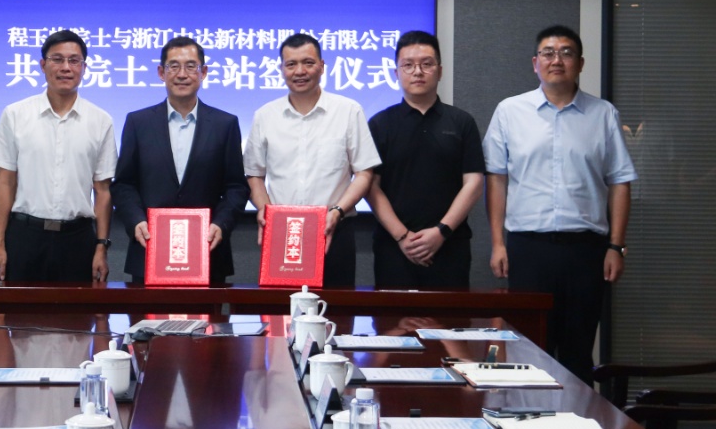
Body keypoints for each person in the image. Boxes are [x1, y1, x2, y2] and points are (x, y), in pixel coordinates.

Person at [483, 25, 637, 385]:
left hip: (586, 250)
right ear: (535, 63)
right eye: (548, 53)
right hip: (528, 249)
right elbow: (497, 179)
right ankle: (529, 418)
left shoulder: (603, 114)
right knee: (526, 351)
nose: (557, 60)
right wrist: (498, 243)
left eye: (566, 53)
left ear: (580, 63)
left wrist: (616, 246)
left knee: (578, 352)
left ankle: (578, 417)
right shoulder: (510, 111)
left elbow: (620, 181)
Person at [243, 33, 380, 287]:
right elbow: (254, 174)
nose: (300, 71)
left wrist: (338, 211)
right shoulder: (265, 115)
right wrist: (266, 212)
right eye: (291, 64)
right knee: (280, 308)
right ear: (281, 69)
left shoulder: (348, 111)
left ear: (322, 66)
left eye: (308, 63)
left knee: (336, 308)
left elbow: (364, 172)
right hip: (283, 234)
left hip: (335, 230)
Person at [112, 36, 249, 284]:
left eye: (191, 66)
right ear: (161, 73)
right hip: (149, 249)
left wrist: (221, 224)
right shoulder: (138, 123)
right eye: (173, 66)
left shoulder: (225, 124)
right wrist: (136, 221)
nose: (182, 74)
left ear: (203, 72)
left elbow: (236, 187)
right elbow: (123, 184)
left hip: (208, 252)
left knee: (208, 313)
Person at [0, 29, 117, 284]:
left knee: (76, 310)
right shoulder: (15, 114)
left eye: (74, 60)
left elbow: (102, 191)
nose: (66, 67)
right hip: (25, 236)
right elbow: (5, 182)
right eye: (57, 59)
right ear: (43, 65)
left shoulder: (101, 121)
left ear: (84, 68)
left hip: (78, 239)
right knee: (18, 308)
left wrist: (101, 247)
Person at [367, 31, 484, 289]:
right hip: (393, 248)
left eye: (426, 64)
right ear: (396, 73)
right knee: (391, 316)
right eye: (408, 65)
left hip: (450, 246)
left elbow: (474, 183)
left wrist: (441, 232)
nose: (417, 72)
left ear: (440, 71)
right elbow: (370, 187)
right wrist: (403, 236)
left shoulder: (462, 122)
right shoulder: (380, 124)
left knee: (449, 315)